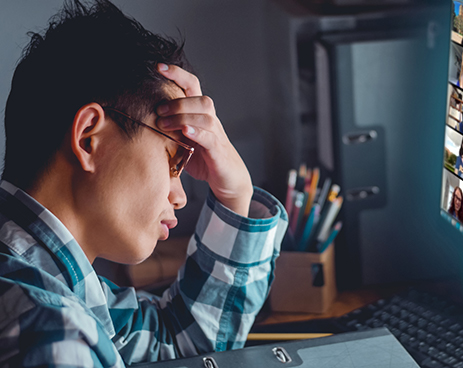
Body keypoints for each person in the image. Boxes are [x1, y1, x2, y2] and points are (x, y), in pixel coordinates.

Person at [0, 1, 288, 367]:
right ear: (90, 138)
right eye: (173, 160)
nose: (180, 196)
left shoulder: (47, 283)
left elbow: (178, 340)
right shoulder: (53, 332)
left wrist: (235, 195)